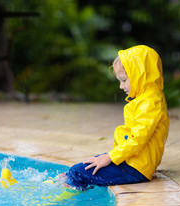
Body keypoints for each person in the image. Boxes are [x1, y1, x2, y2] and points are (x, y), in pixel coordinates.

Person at [64, 45, 170, 190]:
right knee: (87, 165)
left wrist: (110, 157)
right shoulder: (148, 98)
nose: (121, 86)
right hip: (134, 162)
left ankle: (65, 199)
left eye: (124, 80)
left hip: (135, 168)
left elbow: (137, 139)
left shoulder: (149, 103)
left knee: (77, 172)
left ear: (139, 75)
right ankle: (68, 181)